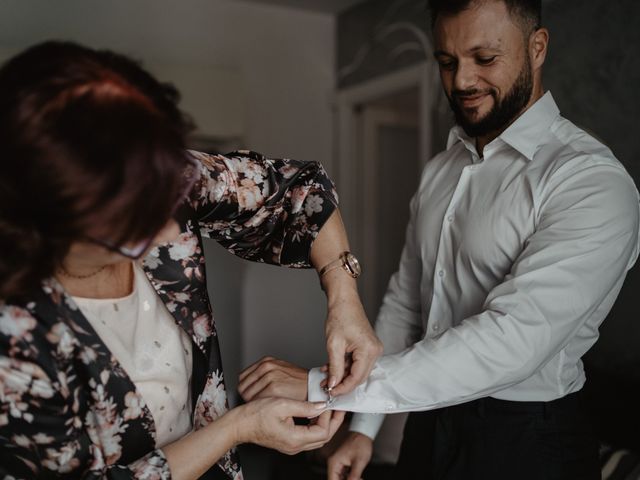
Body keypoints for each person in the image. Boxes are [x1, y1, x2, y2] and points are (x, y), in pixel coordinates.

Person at [237, 1, 640, 479]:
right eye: (447, 63)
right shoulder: (440, 171)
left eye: (485, 59)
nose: (462, 81)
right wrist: (364, 428)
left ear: (537, 48)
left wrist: (320, 386)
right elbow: (406, 302)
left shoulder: (589, 181)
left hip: (528, 441)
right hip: (428, 424)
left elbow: (514, 340)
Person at [0, 41, 382, 479]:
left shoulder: (152, 171)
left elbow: (301, 192)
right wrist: (238, 427)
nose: (171, 232)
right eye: (136, 222)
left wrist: (343, 296)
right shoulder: (14, 336)